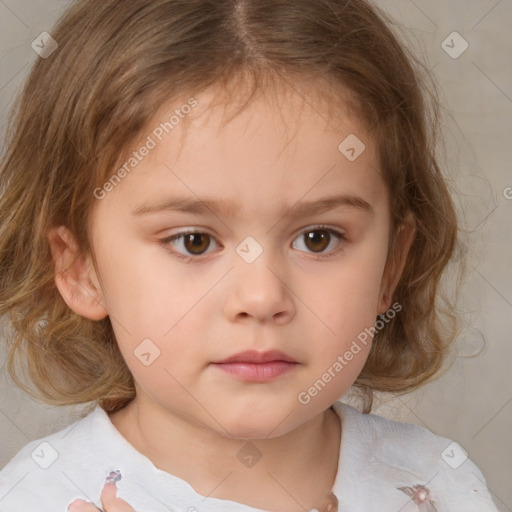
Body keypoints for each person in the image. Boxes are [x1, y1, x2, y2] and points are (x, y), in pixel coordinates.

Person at [0, 0, 499, 511]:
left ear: (391, 266)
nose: (261, 298)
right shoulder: (40, 497)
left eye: (318, 238)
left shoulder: (438, 484)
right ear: (81, 268)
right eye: (193, 241)